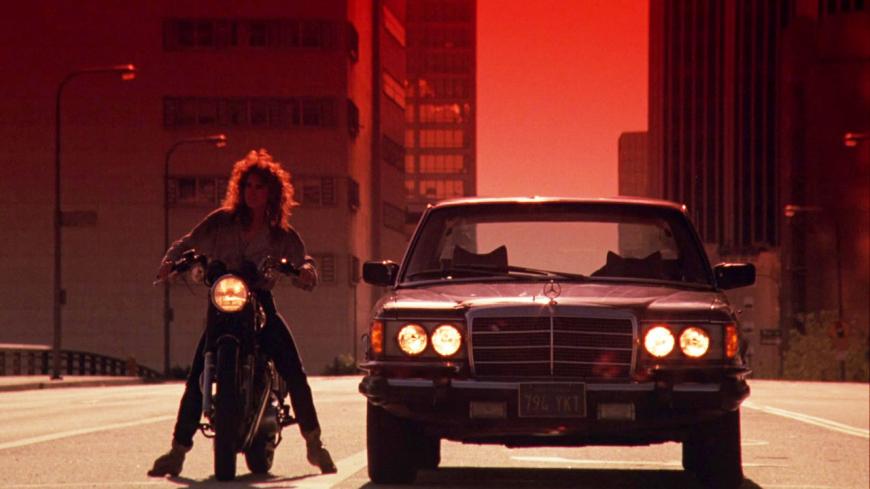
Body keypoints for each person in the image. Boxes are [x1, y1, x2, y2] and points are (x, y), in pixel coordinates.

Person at [148, 149, 337, 477]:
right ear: (240, 188)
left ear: (272, 192)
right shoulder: (221, 221)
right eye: (248, 185)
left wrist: (305, 271)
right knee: (197, 375)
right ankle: (177, 452)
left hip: (259, 301)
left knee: (293, 369)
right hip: (223, 300)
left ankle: (314, 444)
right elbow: (189, 241)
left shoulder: (280, 234)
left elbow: (303, 260)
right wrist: (170, 262)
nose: (253, 192)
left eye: (260, 186)